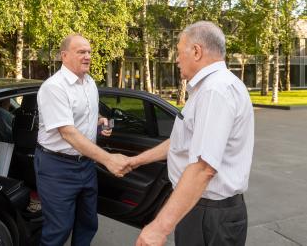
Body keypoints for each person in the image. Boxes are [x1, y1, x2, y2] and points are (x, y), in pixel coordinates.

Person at [131, 21, 254, 246]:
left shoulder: (214, 91)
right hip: (204, 210)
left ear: (196, 51)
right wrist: (136, 161)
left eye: (179, 52)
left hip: (208, 215)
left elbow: (203, 168)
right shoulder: (213, 87)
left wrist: (159, 228)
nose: (176, 60)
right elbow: (181, 143)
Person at [35, 34, 132, 246]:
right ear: (64, 55)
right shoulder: (54, 87)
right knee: (58, 229)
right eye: (81, 52)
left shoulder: (89, 82)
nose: (87, 56)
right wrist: (108, 159)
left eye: (89, 52)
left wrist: (99, 120)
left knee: (87, 223)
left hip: (85, 165)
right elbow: (68, 132)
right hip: (57, 168)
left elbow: (82, 114)